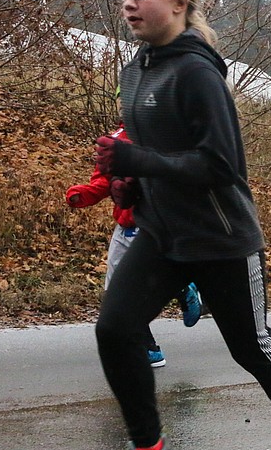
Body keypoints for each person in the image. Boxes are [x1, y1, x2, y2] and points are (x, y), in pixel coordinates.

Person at [92, 0, 271, 450]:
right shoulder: (135, 69)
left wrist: (139, 163)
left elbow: (221, 167)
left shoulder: (199, 73)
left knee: (251, 347)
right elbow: (152, 148)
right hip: (162, 235)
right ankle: (148, 446)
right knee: (114, 328)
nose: (128, 2)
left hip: (221, 238)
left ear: (178, 2)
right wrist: (130, 183)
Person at [67, 122, 202, 368]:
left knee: (135, 293)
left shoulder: (164, 131)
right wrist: (83, 194)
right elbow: (103, 181)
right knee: (115, 295)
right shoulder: (115, 139)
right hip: (124, 226)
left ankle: (182, 289)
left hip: (152, 225)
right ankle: (149, 348)